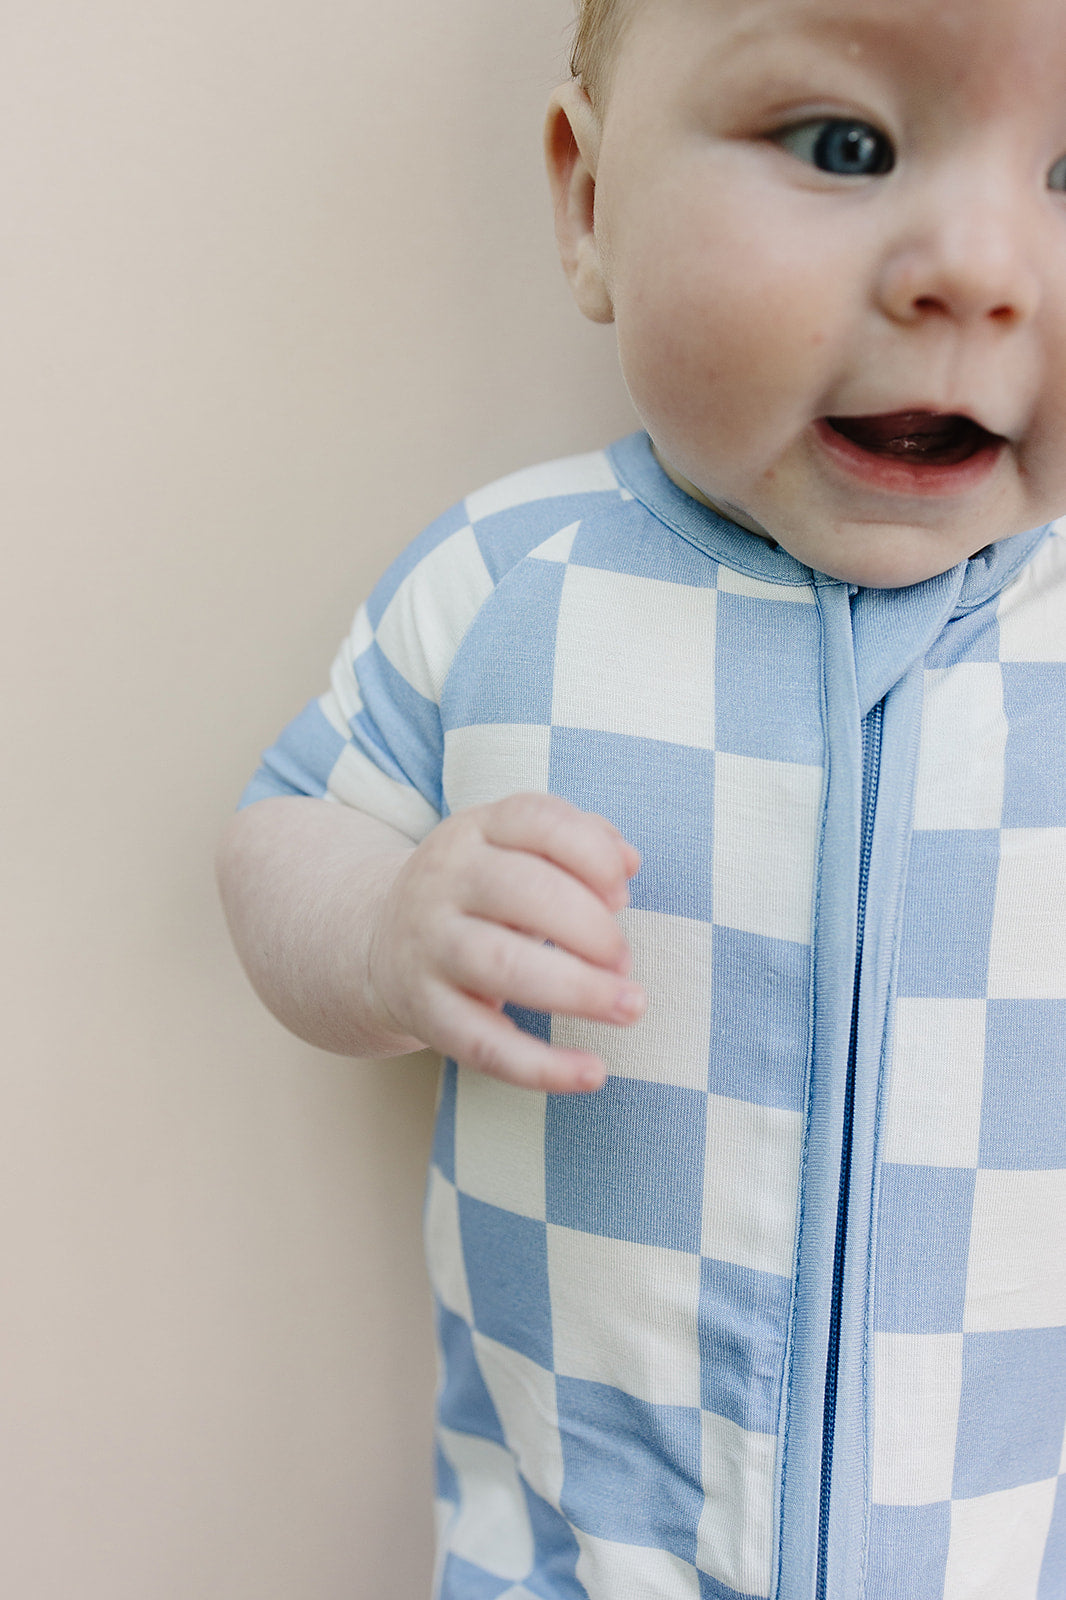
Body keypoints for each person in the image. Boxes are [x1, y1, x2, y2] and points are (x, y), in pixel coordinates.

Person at [216, 0, 1066, 1594]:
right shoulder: (507, 586)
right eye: (842, 145)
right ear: (590, 201)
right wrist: (389, 926)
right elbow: (280, 831)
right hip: (575, 1561)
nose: (978, 267)